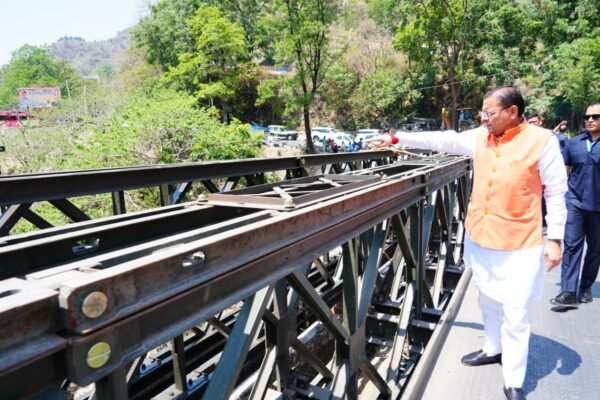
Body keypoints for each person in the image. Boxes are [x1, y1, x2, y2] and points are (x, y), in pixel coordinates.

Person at [368, 86, 567, 400]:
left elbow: (556, 192)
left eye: (489, 113)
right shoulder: (480, 137)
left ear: (512, 112)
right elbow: (442, 140)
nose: (483, 118)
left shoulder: (543, 141)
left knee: (515, 311)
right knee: (487, 297)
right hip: (481, 234)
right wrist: (396, 139)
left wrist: (555, 239)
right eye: (483, 113)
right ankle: (492, 347)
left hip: (519, 241)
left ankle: (514, 379)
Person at [550, 103, 600, 309]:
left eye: (595, 117)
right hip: (575, 202)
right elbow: (564, 171)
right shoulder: (574, 143)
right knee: (571, 246)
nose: (590, 120)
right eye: (587, 117)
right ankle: (568, 291)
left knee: (595, 249)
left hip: (598, 206)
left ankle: (586, 286)